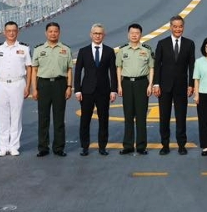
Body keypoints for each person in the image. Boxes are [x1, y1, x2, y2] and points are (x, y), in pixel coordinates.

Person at [29, 22, 73, 157]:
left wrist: (69, 87)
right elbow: (34, 70)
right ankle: (43, 147)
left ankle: (59, 147)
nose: (53, 34)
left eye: (55, 31)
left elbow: (69, 69)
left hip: (60, 84)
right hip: (43, 84)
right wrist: (34, 89)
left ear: (59, 33)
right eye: (50, 31)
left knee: (59, 118)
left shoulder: (66, 49)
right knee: (43, 117)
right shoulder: (38, 49)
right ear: (46, 33)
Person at [152, 15, 195, 155]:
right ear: (170, 27)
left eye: (180, 26)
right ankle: (165, 145)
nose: (178, 29)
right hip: (164, 87)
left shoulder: (189, 44)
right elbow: (157, 65)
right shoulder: (162, 43)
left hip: (181, 86)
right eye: (175, 26)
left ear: (183, 27)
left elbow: (191, 66)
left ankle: (181, 144)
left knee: (181, 117)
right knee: (164, 117)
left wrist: (191, 84)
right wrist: (156, 84)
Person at [74, 23, 118, 156]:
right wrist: (77, 90)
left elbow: (113, 72)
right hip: (86, 91)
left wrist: (113, 90)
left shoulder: (109, 51)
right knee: (85, 119)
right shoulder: (83, 51)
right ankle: (85, 146)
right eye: (95, 33)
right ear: (91, 35)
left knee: (103, 119)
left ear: (104, 35)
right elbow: (78, 71)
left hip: (104, 91)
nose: (97, 36)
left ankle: (102, 146)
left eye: (100, 33)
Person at [0, 21, 31, 157]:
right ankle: (3, 146)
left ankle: (14, 146)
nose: (11, 33)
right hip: (1, 84)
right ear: (4, 32)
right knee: (2, 116)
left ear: (17, 32)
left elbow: (29, 68)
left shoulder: (24, 48)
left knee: (16, 116)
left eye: (14, 30)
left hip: (18, 83)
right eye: (9, 31)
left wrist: (28, 86)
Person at [116, 23, 154, 155]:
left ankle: (141, 146)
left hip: (142, 83)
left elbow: (151, 68)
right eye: (132, 33)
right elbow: (119, 68)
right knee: (128, 115)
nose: (134, 35)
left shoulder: (147, 50)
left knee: (141, 116)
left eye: (137, 33)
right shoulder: (122, 50)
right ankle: (128, 145)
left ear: (140, 35)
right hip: (126, 83)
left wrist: (150, 84)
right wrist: (119, 85)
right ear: (128, 34)